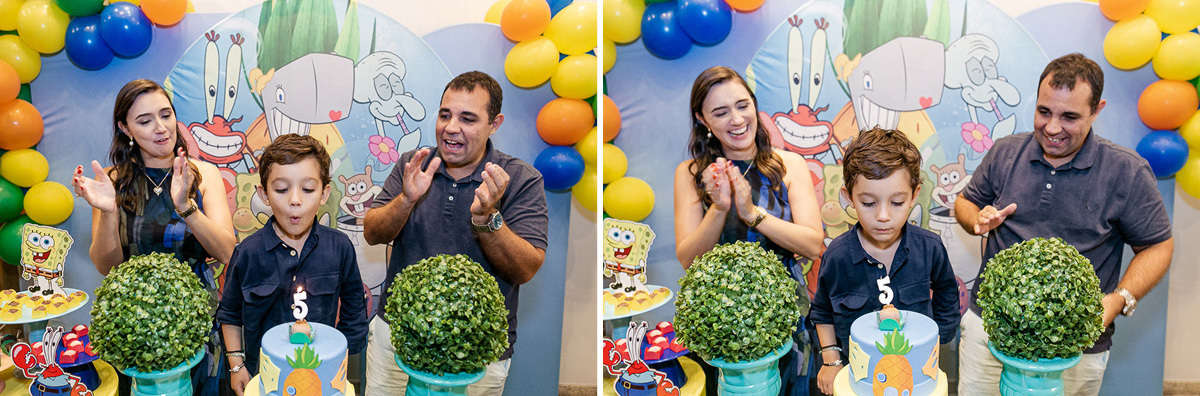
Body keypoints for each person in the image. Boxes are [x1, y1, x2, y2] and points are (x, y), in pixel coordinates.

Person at [955, 53, 1174, 395]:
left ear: (1096, 110)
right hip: (990, 331)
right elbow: (965, 202)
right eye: (1044, 112)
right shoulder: (1004, 152)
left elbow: (1158, 245)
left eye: (1069, 116)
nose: (1053, 128)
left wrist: (1118, 300)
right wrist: (977, 220)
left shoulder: (1126, 171)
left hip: (1078, 346)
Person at [361, 71, 549, 395]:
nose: (451, 127)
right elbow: (372, 232)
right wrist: (406, 200)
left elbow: (526, 267)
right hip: (396, 339)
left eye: (468, 118)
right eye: (445, 114)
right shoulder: (414, 164)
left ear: (495, 124)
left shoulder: (519, 179)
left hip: (478, 354)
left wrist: (487, 217)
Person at [72, 79, 237, 396]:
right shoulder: (112, 181)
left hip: (194, 320)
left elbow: (228, 251)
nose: (161, 128)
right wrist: (108, 210)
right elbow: (107, 266)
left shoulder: (204, 175)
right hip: (135, 325)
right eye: (145, 121)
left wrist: (185, 207)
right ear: (126, 128)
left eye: (166, 115)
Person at [673, 66, 824, 396]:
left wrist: (751, 212)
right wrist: (720, 207)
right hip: (719, 319)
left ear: (755, 105)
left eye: (743, 105)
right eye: (721, 112)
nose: (737, 120)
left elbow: (813, 245)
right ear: (702, 119)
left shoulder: (789, 165)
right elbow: (688, 259)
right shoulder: (691, 174)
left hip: (784, 314)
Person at [809, 127, 960, 395]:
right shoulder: (837, 256)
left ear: (914, 195)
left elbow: (947, 292)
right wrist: (831, 360)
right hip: (857, 378)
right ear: (849, 198)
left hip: (915, 380)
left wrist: (936, 340)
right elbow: (821, 311)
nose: (883, 216)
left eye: (897, 202)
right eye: (868, 203)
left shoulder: (930, 247)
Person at [217, 134, 368, 396]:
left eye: (308, 189)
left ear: (324, 193)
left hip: (321, 380)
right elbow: (229, 314)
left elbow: (354, 314)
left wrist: (340, 365)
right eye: (282, 189)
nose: (295, 200)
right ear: (264, 194)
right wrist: (236, 365)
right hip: (261, 377)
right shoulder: (248, 253)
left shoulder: (340, 248)